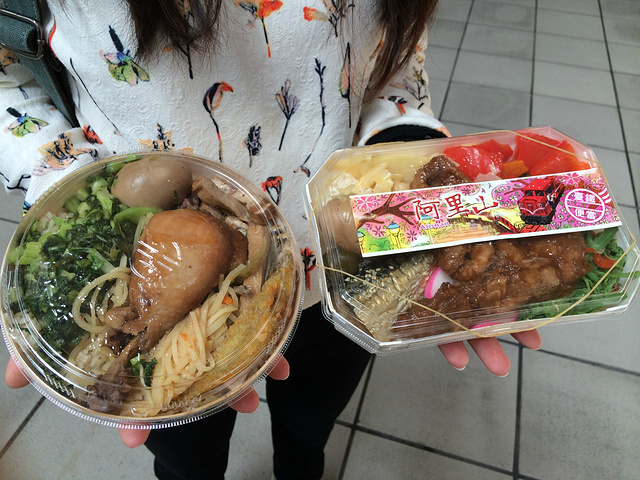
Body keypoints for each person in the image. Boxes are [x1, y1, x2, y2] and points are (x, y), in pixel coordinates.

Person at [1, 0, 542, 478]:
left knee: (309, 431)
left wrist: (409, 159)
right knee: (187, 459)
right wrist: (59, 175)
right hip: (149, 260)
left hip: (345, 271)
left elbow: (394, 59)